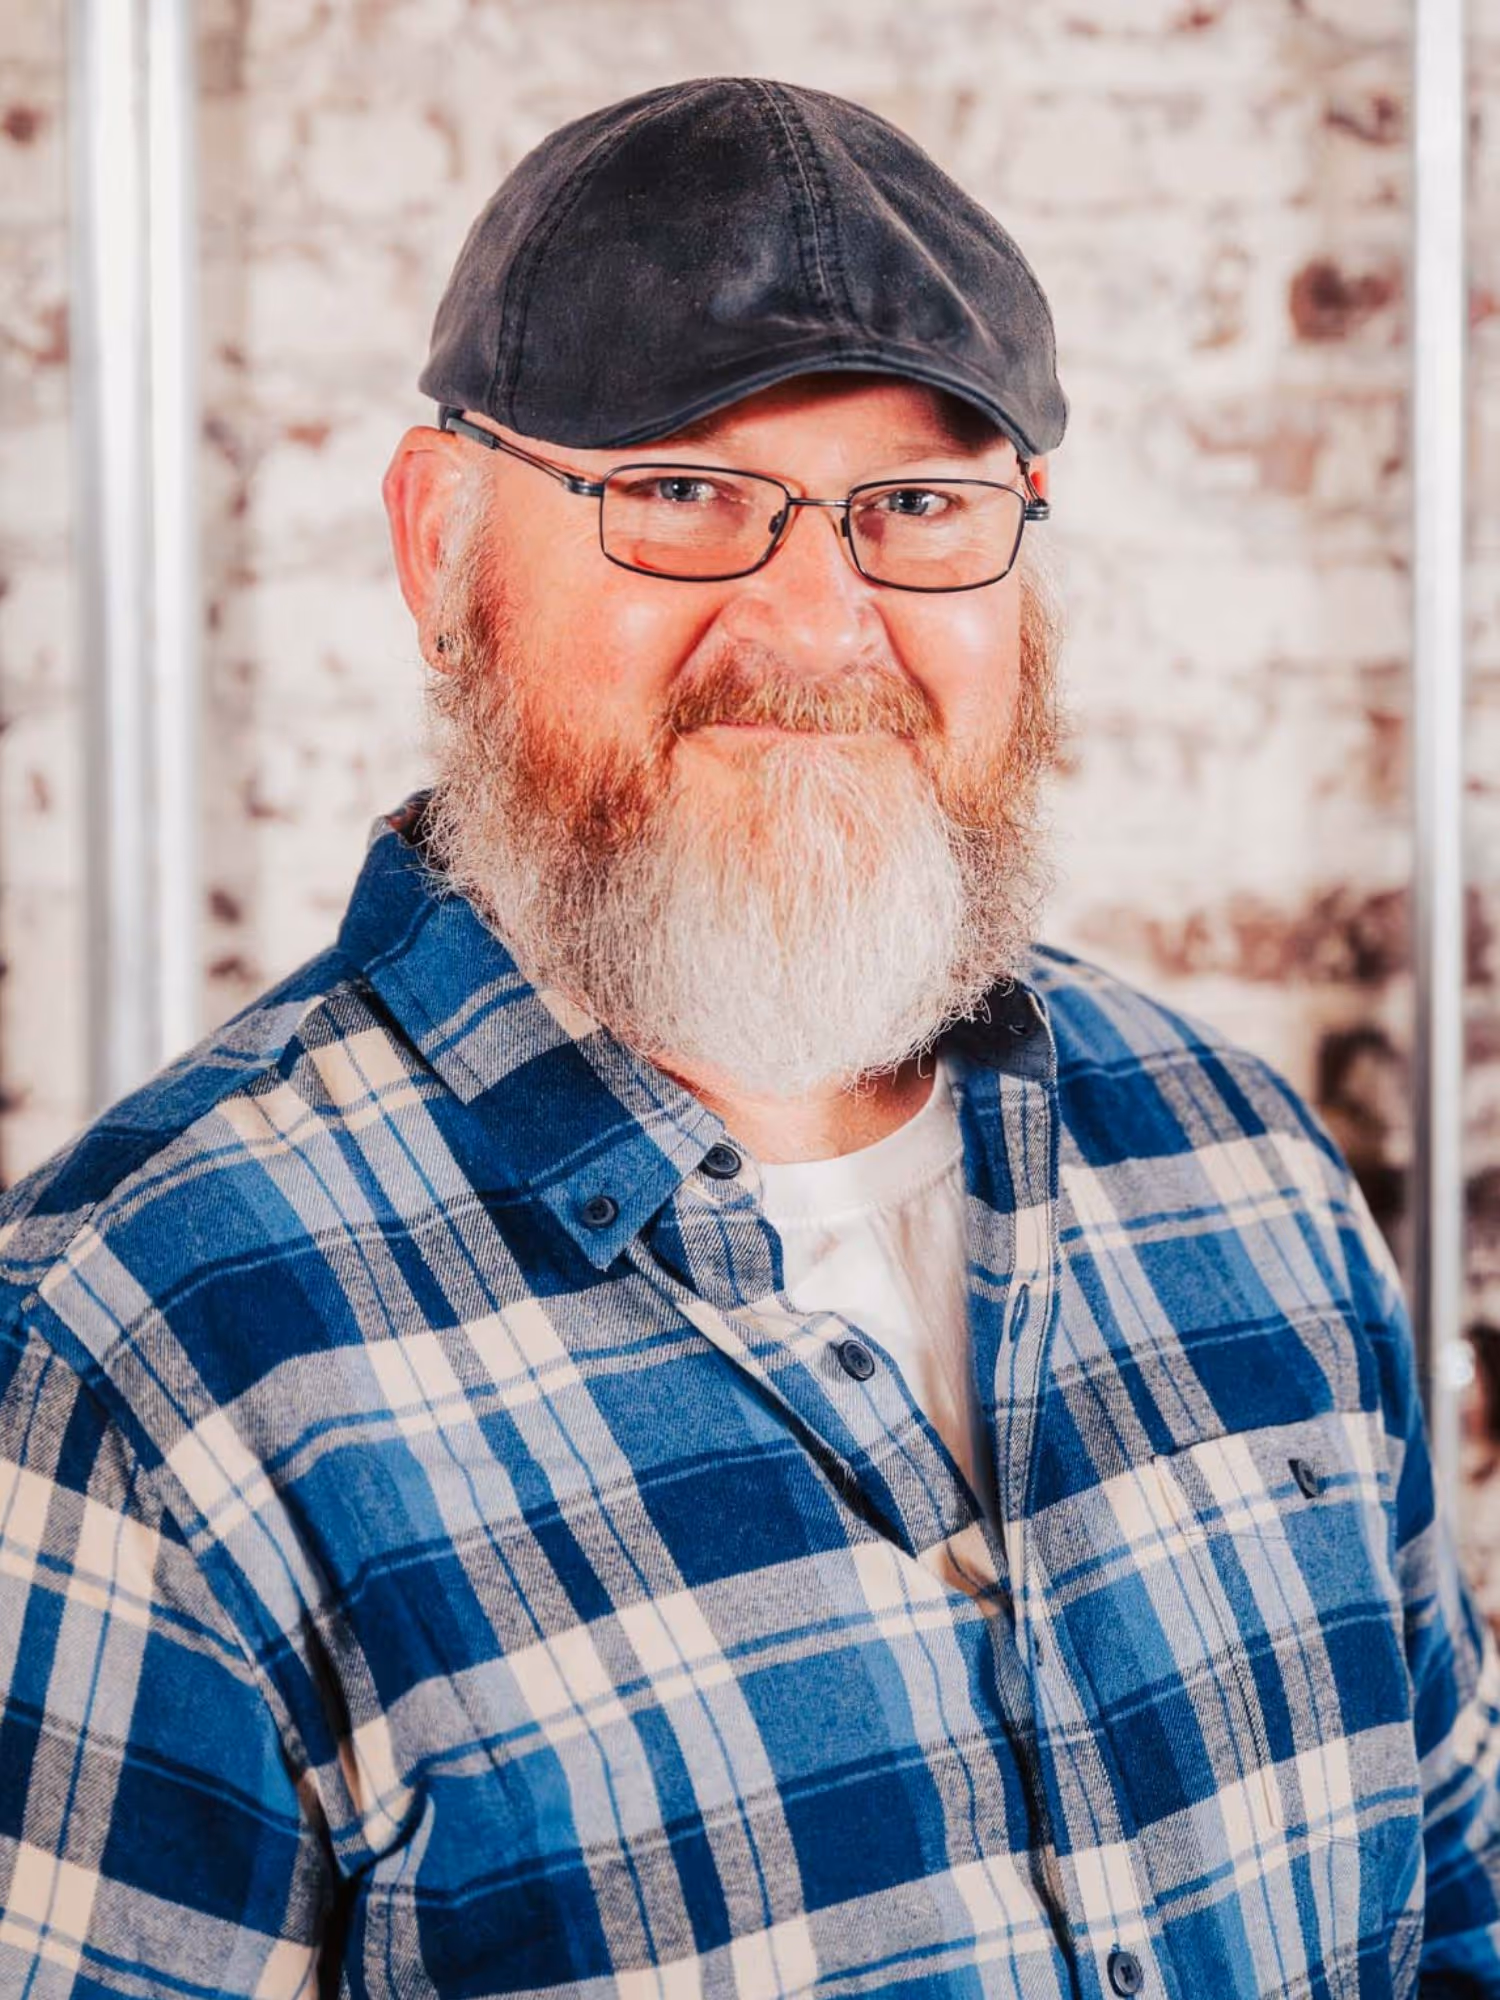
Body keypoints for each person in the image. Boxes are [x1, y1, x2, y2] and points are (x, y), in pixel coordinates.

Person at [0, 75, 1494, 2000]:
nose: (819, 615)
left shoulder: (1247, 1169)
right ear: (438, 541)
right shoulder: (136, 1363)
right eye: (682, 492)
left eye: (922, 505)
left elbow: (1447, 1915)